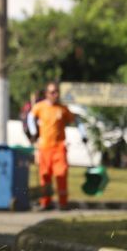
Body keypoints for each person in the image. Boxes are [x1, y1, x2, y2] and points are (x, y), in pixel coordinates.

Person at [27, 81, 85, 210]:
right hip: (45, 148)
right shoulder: (39, 107)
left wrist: (83, 134)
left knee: (62, 174)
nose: (55, 95)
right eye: (52, 92)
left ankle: (63, 203)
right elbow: (30, 118)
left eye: (57, 92)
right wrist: (33, 133)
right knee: (45, 176)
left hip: (59, 148)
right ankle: (45, 203)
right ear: (47, 93)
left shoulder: (62, 108)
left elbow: (75, 119)